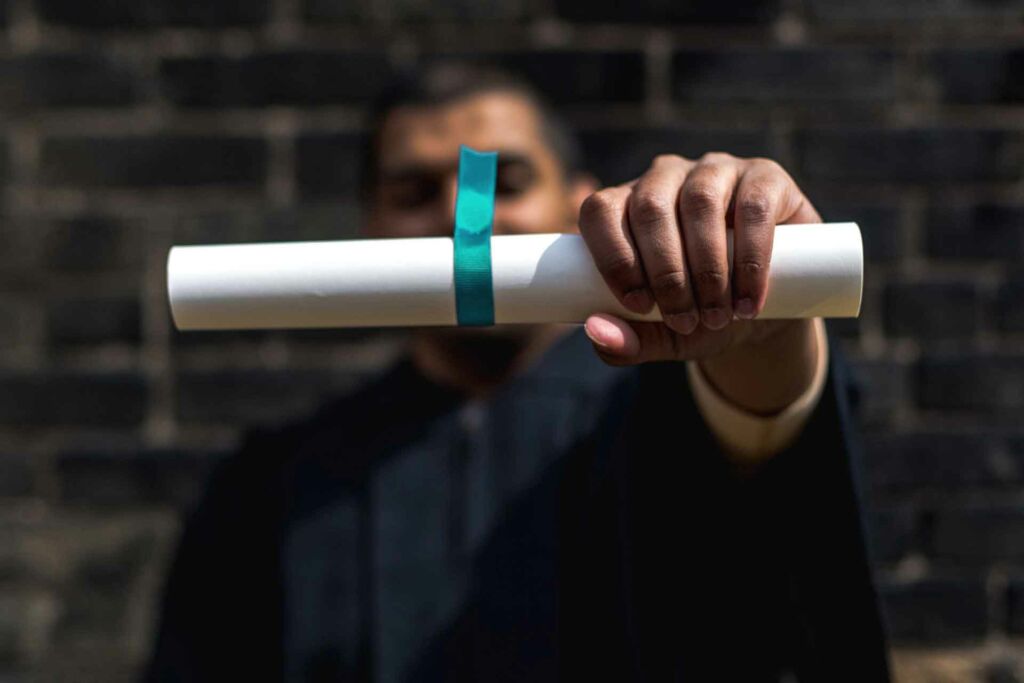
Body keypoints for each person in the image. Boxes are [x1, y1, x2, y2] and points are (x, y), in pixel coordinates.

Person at [145, 63, 890, 682]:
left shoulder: (660, 413)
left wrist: (758, 321)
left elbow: (765, 404)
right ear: (369, 227)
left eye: (503, 181)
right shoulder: (276, 485)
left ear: (580, 203)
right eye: (412, 192)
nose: (460, 217)